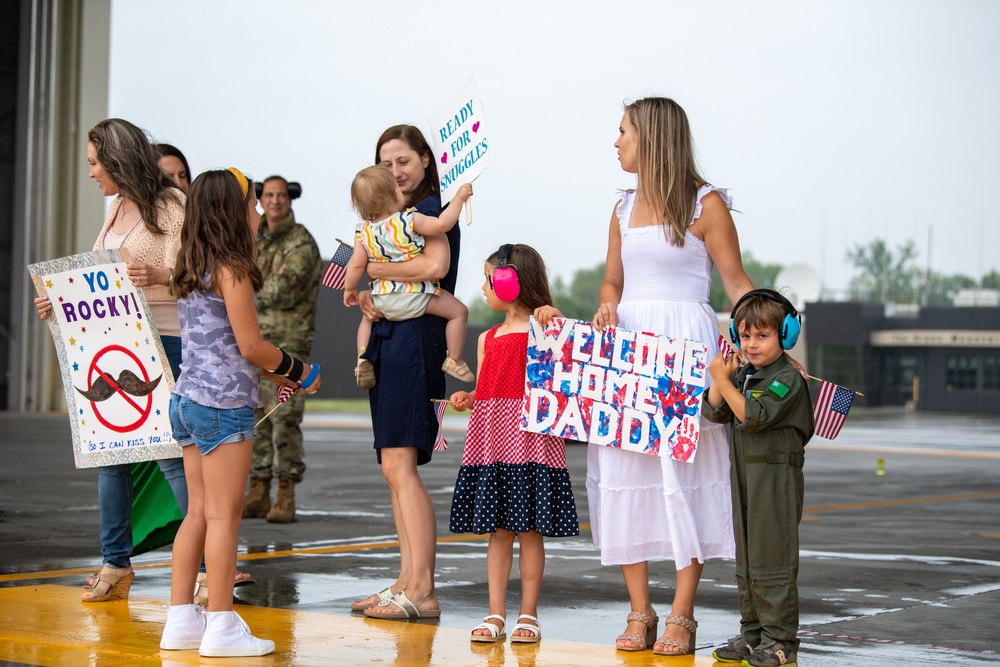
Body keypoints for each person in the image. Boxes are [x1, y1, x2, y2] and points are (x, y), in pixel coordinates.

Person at [589, 97, 754, 654]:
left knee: (686, 474)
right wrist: (608, 305)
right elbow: (613, 281)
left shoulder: (705, 205)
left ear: (652, 137)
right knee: (626, 472)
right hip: (630, 349)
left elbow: (735, 283)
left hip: (687, 347)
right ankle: (640, 611)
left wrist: (774, 329)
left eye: (622, 132)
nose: (615, 142)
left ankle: (683, 613)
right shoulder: (619, 209)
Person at [159, 168, 321, 657]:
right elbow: (250, 346)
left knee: (198, 518)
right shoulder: (232, 268)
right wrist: (299, 370)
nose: (258, 211)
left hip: (186, 402)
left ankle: (180, 620)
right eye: (252, 204)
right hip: (223, 408)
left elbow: (223, 345)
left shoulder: (192, 264)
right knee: (225, 518)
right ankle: (223, 626)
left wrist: (276, 377)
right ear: (233, 210)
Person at [34, 118, 189, 602]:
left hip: (164, 341)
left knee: (172, 461)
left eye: (94, 163)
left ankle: (205, 565)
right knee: (112, 458)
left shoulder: (171, 204)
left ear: (118, 159)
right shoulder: (117, 206)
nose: (90, 173)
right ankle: (115, 562)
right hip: (115, 343)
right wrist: (59, 303)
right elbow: (101, 277)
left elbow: (194, 270)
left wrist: (157, 272)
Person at [349, 124, 458, 620]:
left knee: (400, 467)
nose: (396, 171)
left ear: (426, 162)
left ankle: (423, 589)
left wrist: (375, 272)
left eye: (404, 161)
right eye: (386, 163)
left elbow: (434, 267)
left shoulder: (431, 211)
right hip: (391, 341)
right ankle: (405, 580)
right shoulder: (388, 219)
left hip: (416, 341)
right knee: (393, 469)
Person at [448, 244, 580, 644]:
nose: (484, 287)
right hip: (492, 443)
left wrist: (556, 322)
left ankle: (528, 614)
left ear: (510, 280)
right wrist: (468, 398)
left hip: (530, 443)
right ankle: (495, 613)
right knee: (499, 532)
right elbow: (488, 385)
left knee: (529, 532)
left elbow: (570, 367)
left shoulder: (547, 330)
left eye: (489, 278)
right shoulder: (488, 337)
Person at [703, 290, 813, 667]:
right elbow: (714, 410)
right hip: (746, 476)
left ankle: (780, 641)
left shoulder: (786, 379)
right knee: (748, 560)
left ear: (785, 334)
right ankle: (753, 635)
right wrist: (724, 378)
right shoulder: (748, 375)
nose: (751, 344)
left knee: (773, 559)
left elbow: (752, 415)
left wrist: (725, 379)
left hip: (775, 478)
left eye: (762, 336)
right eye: (745, 335)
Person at [344, 165, 475, 387]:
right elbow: (443, 223)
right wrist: (460, 198)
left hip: (383, 301)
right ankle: (454, 359)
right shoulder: (408, 220)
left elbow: (356, 264)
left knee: (366, 319)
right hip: (416, 296)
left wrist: (349, 289)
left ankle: (362, 358)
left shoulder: (362, 232)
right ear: (396, 194)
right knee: (458, 312)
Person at [241, 175, 322, 524]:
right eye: (268, 195)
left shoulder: (301, 241)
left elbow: (282, 290)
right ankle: (258, 489)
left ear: (290, 198)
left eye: (280, 195)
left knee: (285, 419)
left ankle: (285, 490)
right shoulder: (252, 237)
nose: (274, 201)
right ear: (260, 199)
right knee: (255, 417)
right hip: (253, 343)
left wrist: (238, 287)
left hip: (288, 347)